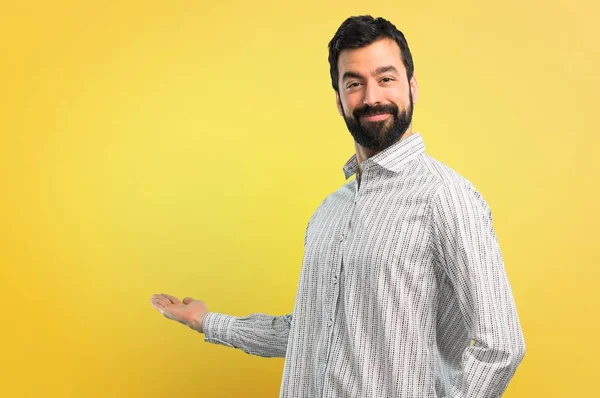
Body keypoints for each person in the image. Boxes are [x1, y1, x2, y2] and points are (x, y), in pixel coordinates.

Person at [150, 15, 526, 398]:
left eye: (386, 78)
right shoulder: (330, 211)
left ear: (411, 86)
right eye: (354, 83)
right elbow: (309, 329)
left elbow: (501, 347)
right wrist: (207, 322)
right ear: (339, 99)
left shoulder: (447, 197)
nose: (371, 97)